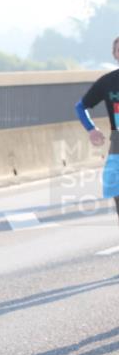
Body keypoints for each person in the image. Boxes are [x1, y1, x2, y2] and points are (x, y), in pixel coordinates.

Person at [75, 35, 119, 224]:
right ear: (114, 54)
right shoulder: (107, 82)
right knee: (115, 189)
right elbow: (80, 106)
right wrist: (91, 129)